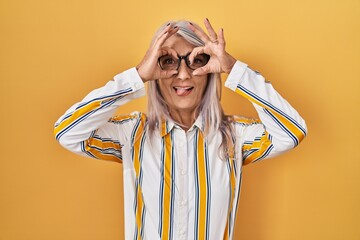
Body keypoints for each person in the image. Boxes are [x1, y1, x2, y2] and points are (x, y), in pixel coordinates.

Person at [54, 18, 307, 240]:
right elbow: (67, 132)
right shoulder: (132, 135)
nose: (184, 75)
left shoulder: (233, 136)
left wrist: (233, 68)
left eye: (198, 60)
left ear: (210, 72)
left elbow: (291, 131)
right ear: (156, 69)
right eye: (168, 61)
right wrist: (138, 75)